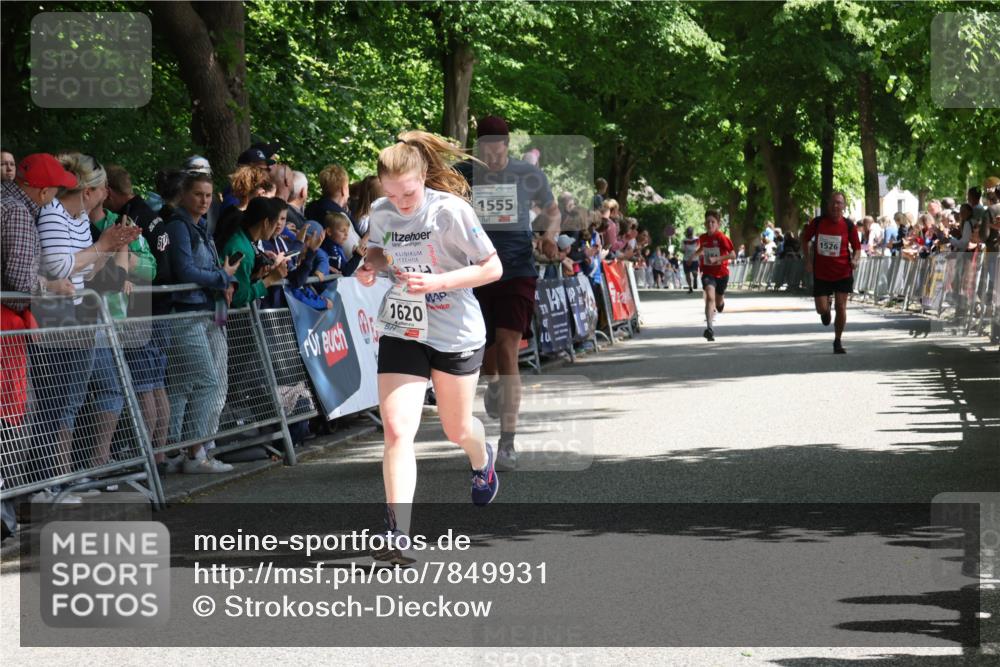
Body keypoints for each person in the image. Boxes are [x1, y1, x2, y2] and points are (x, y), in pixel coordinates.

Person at [354, 131, 503, 563]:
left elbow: (492, 267)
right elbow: (379, 252)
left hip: (455, 330)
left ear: (423, 178)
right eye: (391, 193)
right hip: (405, 328)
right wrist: (369, 265)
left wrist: (438, 282)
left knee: (458, 430)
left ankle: (482, 458)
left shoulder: (450, 211)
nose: (401, 202)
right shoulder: (381, 212)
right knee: (398, 429)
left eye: (409, 193)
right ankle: (397, 532)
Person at [456, 115, 559, 471]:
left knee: (507, 348)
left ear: (507, 144)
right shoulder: (462, 174)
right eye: (485, 148)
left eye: (497, 148)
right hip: (476, 272)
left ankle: (507, 443)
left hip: (517, 270)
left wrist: (549, 235)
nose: (492, 155)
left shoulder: (527, 174)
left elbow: (552, 211)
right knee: (486, 352)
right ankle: (494, 384)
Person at [34, 153, 139, 496]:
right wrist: (102, 244)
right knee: (57, 401)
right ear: (88, 190)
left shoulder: (78, 218)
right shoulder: (52, 213)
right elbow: (58, 267)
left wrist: (112, 247)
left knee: (72, 400)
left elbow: (87, 271)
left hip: (79, 315)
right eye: (102, 189)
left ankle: (65, 476)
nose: (106, 195)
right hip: (56, 318)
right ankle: (51, 480)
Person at [1, 154, 77, 504]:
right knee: (12, 415)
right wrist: (52, 287)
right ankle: (9, 501)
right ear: (44, 192)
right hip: (6, 326)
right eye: (57, 190)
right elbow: (19, 283)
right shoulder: (17, 213)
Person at [163, 173, 240, 473]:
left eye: (208, 195)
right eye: (198, 194)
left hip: (207, 312)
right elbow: (186, 270)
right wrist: (222, 277)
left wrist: (223, 278)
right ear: (184, 195)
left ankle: (175, 451)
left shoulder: (201, 227)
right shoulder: (178, 227)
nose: (204, 200)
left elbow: (203, 269)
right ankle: (195, 452)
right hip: (186, 314)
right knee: (206, 381)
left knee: (184, 384)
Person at [801, 191, 862, 354]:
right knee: (821, 310)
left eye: (839, 203)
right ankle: (826, 309)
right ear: (828, 205)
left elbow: (857, 248)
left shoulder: (849, 225)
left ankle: (838, 340)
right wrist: (808, 260)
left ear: (844, 206)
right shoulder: (818, 222)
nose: (836, 206)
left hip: (843, 272)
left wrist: (855, 259)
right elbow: (805, 239)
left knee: (841, 306)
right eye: (833, 202)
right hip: (822, 273)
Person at [219, 197, 289, 308]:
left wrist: (255, 276)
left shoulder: (241, 237)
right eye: (275, 223)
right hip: (224, 314)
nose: (276, 228)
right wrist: (270, 279)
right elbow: (238, 298)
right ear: (266, 222)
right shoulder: (244, 250)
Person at [696, 210, 735, 341]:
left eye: (713, 222)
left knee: (718, 304)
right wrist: (692, 257)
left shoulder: (722, 237)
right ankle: (709, 328)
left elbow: (733, 255)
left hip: (722, 273)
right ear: (704, 223)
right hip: (708, 272)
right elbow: (701, 249)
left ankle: (721, 303)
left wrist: (718, 259)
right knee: (709, 297)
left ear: (718, 224)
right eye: (708, 222)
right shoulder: (702, 238)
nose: (710, 224)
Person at [681, 226, 699, 293]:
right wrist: (684, 250)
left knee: (694, 272)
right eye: (688, 232)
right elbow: (682, 250)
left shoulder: (697, 239)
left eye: (691, 232)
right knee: (687, 274)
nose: (690, 233)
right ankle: (690, 287)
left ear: (692, 232)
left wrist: (694, 253)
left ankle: (695, 278)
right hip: (686, 259)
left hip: (694, 259)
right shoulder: (684, 240)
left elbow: (698, 248)